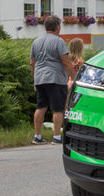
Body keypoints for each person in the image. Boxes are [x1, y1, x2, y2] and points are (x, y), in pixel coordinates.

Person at [30, 16, 75, 145]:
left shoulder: (36, 42)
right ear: (57, 27)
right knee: (57, 109)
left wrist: (35, 79)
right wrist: (74, 77)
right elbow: (65, 62)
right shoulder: (59, 41)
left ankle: (37, 136)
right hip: (55, 78)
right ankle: (56, 137)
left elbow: (32, 63)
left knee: (41, 107)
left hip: (40, 78)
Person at [66, 37, 86, 111]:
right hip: (76, 85)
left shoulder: (67, 60)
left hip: (66, 84)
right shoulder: (81, 62)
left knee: (66, 107)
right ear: (80, 49)